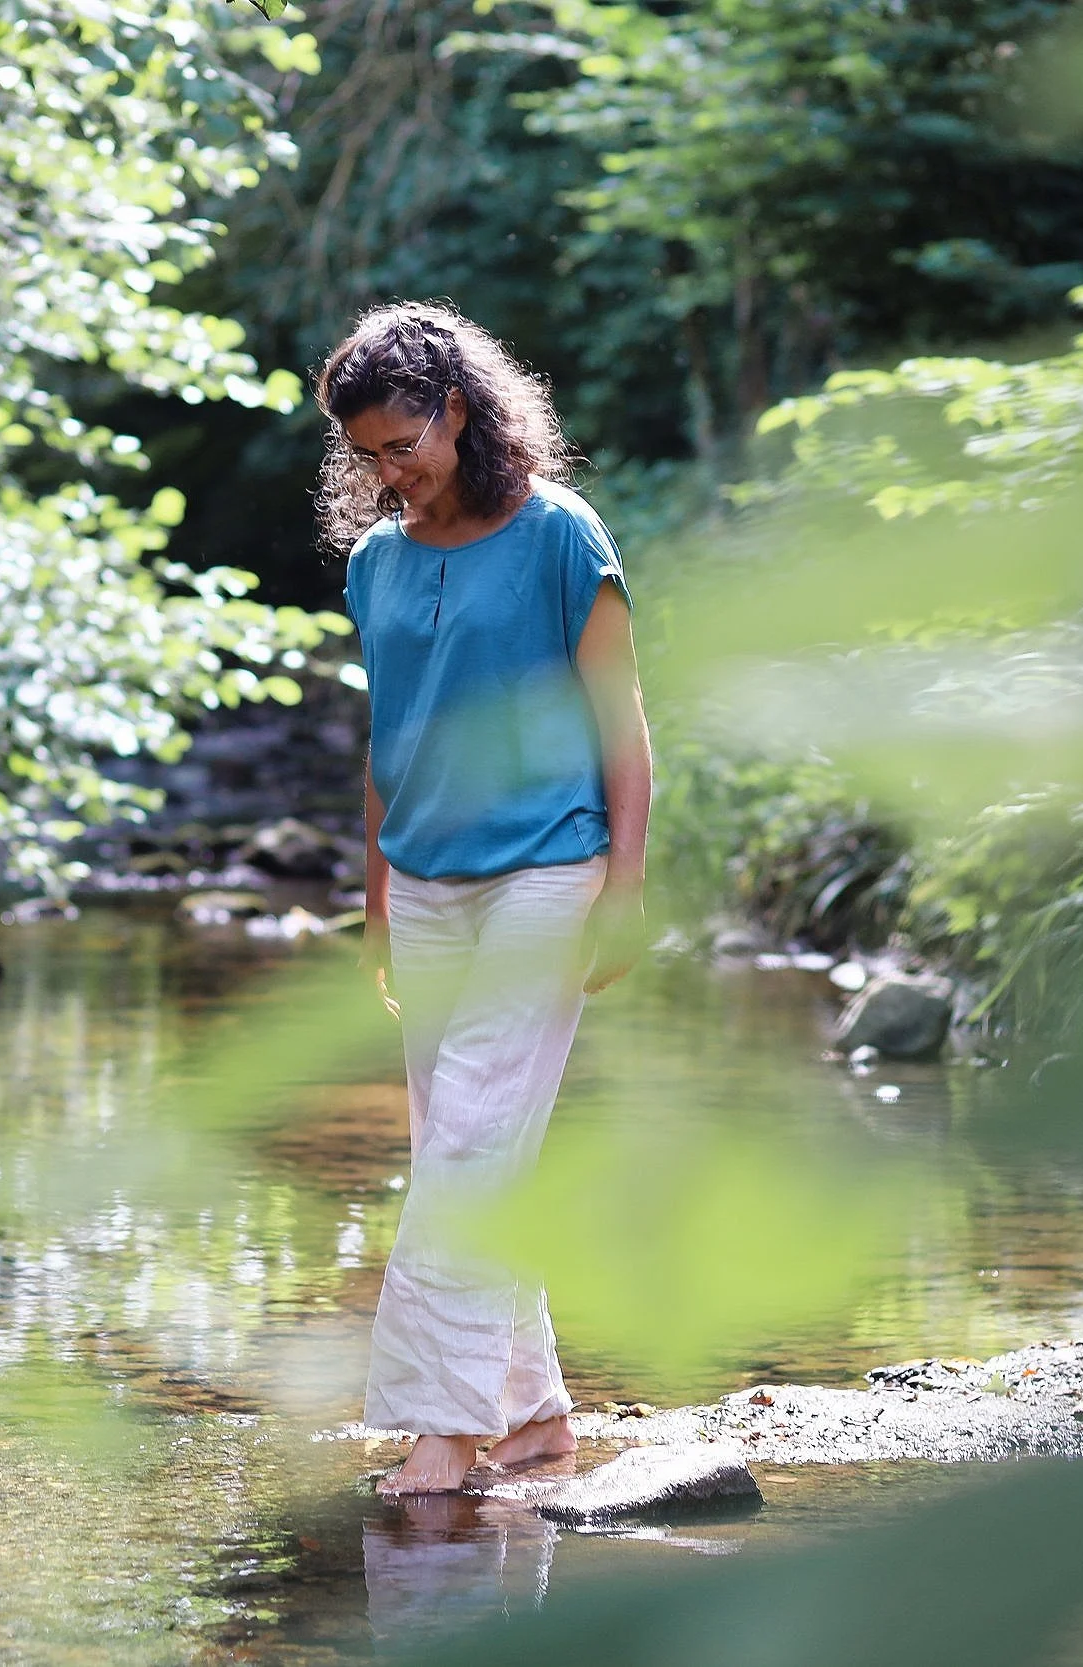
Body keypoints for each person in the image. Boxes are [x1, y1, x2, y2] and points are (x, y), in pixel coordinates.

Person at [320, 301, 652, 1497]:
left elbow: (623, 724)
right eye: (363, 454)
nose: (384, 472)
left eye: (400, 444)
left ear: (459, 410)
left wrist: (625, 883)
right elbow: (386, 740)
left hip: (546, 871)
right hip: (422, 883)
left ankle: (441, 1434)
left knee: (466, 1146)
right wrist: (375, 902)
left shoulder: (562, 535)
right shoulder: (376, 562)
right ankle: (535, 1414)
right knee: (466, 1154)